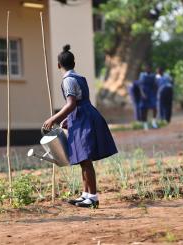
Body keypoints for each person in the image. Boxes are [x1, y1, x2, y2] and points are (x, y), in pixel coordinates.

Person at [43, 45, 118, 208]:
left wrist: (54, 118)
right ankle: (85, 195)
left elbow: (71, 104)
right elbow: (79, 103)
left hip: (83, 120)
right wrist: (67, 120)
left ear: (58, 65)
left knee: (85, 159)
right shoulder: (80, 77)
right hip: (85, 116)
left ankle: (93, 198)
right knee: (83, 159)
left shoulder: (68, 80)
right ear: (74, 63)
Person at [138, 65, 158, 129]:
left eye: (149, 68)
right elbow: (140, 85)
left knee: (154, 107)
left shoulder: (153, 76)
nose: (148, 69)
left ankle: (153, 122)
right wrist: (142, 94)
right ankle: (145, 124)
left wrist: (156, 93)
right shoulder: (142, 75)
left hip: (151, 94)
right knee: (144, 109)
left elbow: (155, 85)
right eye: (147, 68)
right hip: (144, 94)